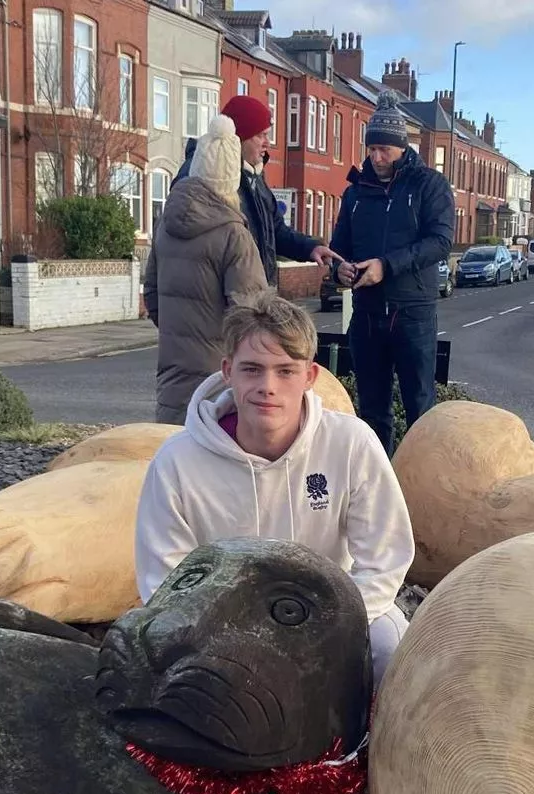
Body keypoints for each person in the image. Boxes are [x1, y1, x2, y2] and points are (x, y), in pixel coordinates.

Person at [134, 289, 415, 692]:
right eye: (252, 369)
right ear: (227, 371)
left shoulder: (352, 444)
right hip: (221, 628)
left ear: (310, 376)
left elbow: (385, 560)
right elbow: (163, 581)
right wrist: (240, 645)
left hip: (332, 618)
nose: (268, 386)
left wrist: (317, 631)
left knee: (393, 652)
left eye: (285, 370)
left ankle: (370, 752)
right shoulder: (176, 462)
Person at [329, 89, 455, 454]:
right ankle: (377, 485)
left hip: (412, 313)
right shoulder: (356, 192)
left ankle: (420, 487)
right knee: (371, 411)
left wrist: (387, 266)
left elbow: (441, 241)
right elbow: (341, 248)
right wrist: (340, 272)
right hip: (367, 315)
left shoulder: (429, 185)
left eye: (384, 149)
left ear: (402, 147)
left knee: (420, 407)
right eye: (371, 149)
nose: (376, 157)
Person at [143, 114, 267, 424]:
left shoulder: (165, 225)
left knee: (175, 461)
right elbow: (251, 317)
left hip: (171, 376)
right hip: (220, 382)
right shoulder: (233, 235)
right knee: (215, 467)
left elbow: (153, 296)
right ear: (230, 180)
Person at [175, 94, 341, 289]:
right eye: (261, 135)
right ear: (239, 138)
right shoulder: (201, 173)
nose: (267, 143)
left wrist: (310, 248)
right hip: (221, 305)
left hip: (251, 302)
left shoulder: (255, 176)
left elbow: (275, 231)